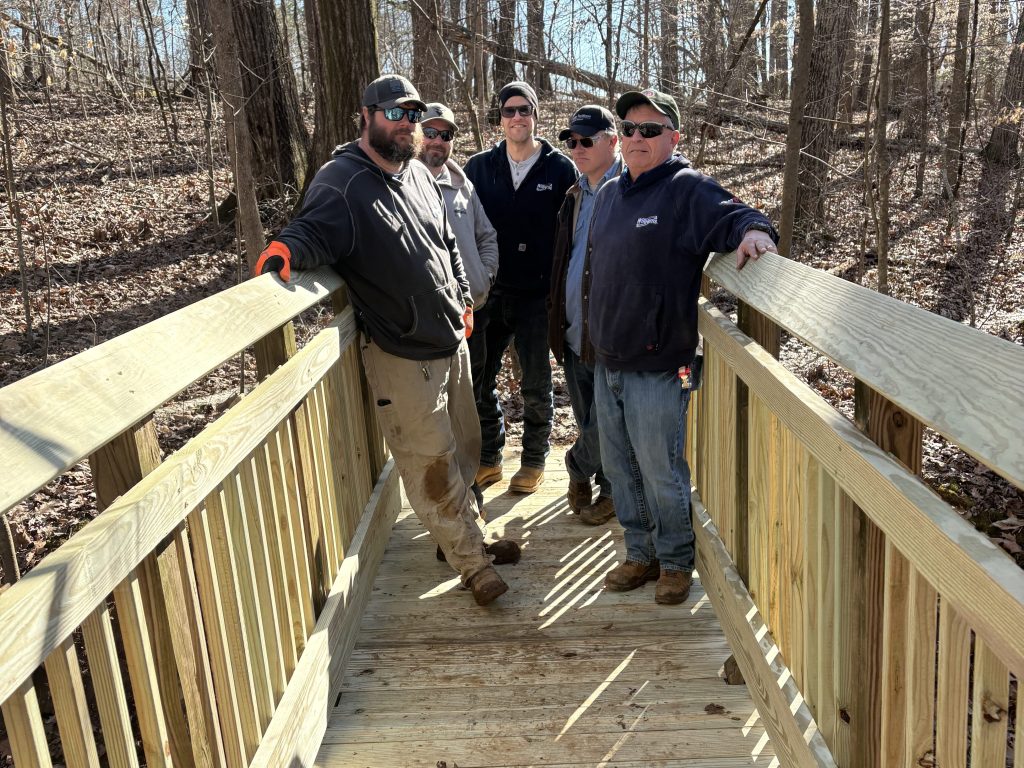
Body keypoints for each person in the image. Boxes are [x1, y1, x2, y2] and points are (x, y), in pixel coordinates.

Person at [254, 74, 513, 607]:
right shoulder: (343, 181)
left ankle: (468, 539)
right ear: (366, 116)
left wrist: (463, 298)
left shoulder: (417, 173)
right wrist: (284, 252)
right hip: (401, 351)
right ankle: (473, 565)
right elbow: (311, 230)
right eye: (394, 112)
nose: (406, 123)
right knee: (430, 461)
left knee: (466, 448)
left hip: (451, 339)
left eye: (412, 114)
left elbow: (445, 242)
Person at [586, 87, 778, 605]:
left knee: (660, 467)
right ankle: (640, 553)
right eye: (628, 128)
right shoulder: (609, 193)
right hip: (609, 359)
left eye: (650, 129)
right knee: (620, 467)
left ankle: (674, 561)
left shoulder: (685, 188)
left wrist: (754, 231)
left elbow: (735, 215)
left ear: (674, 137)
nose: (636, 137)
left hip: (660, 362)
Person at [464, 81, 578, 494]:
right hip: (489, 294)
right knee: (479, 378)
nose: (517, 117)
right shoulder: (478, 168)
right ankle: (490, 456)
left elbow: (573, 232)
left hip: (537, 295)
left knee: (535, 382)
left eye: (524, 110)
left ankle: (533, 460)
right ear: (500, 118)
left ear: (535, 115)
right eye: (509, 110)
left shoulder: (559, 168)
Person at [547, 105, 622, 525]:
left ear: (613, 141)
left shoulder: (630, 189)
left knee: (609, 421)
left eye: (587, 140)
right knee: (587, 417)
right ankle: (596, 482)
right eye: (572, 141)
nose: (577, 148)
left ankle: (587, 475)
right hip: (573, 329)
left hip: (611, 333)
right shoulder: (574, 194)